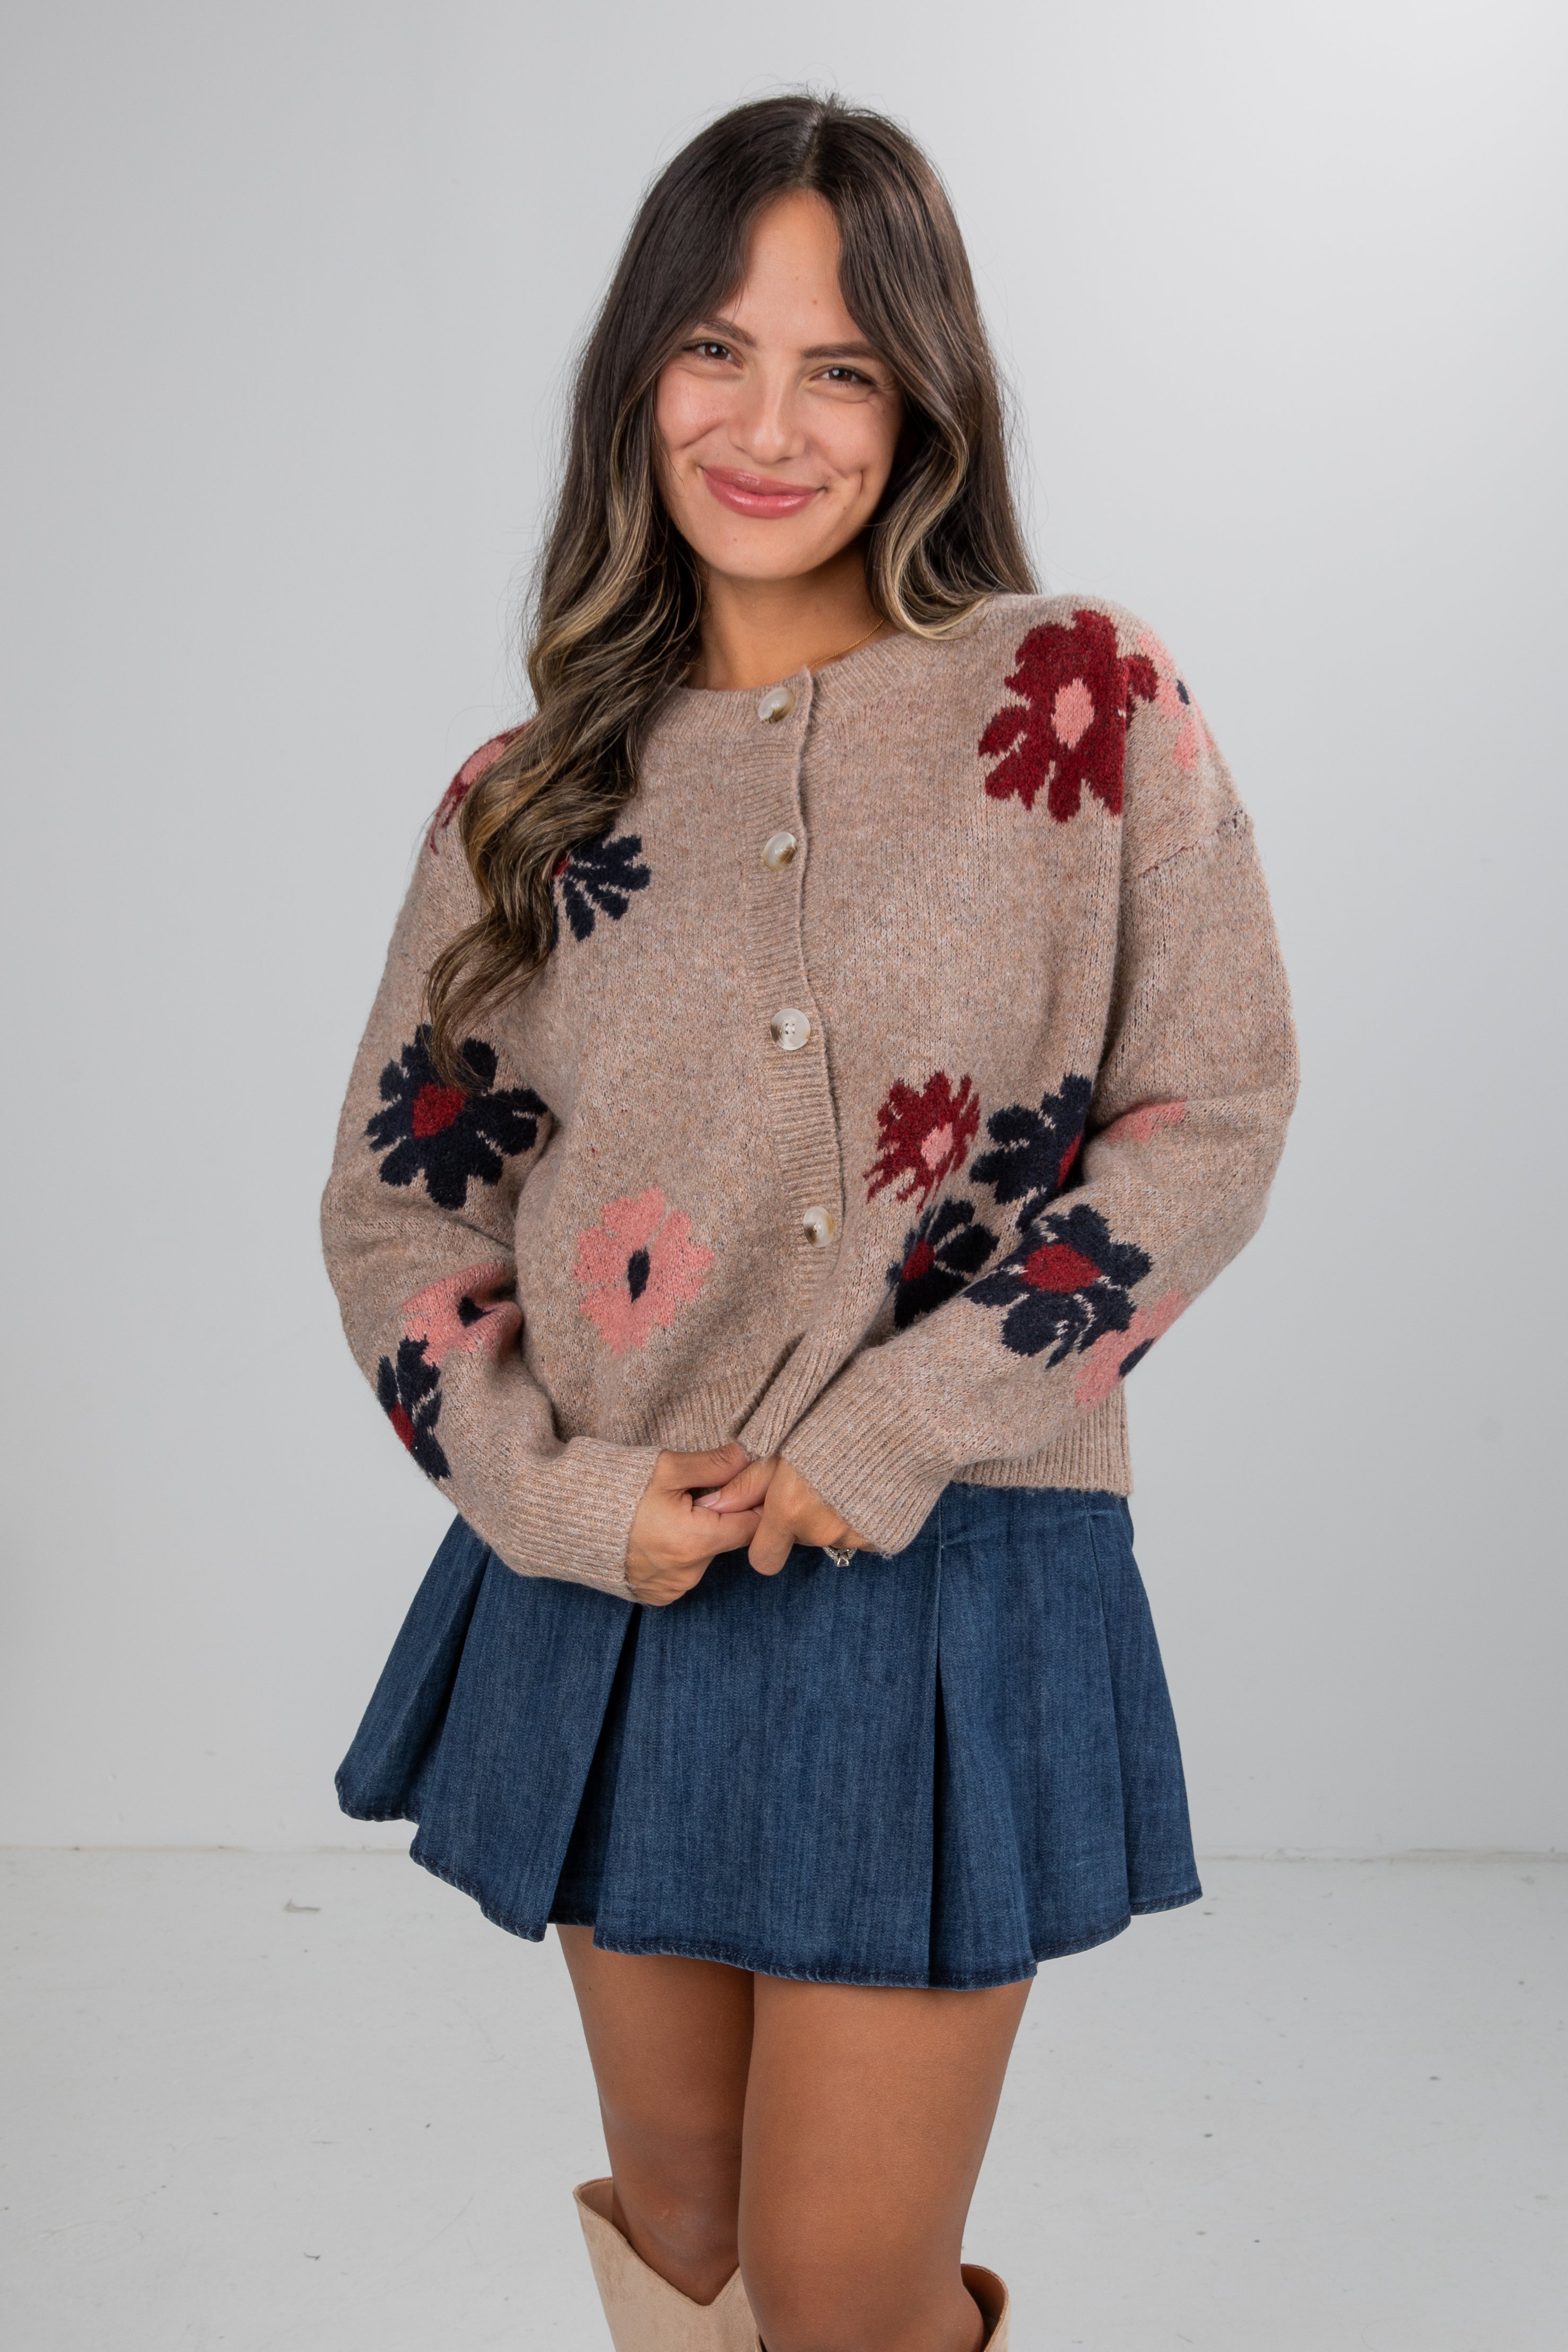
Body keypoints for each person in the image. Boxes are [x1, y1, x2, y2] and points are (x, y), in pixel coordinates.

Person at [323, 91, 1297, 2352]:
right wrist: (564, 1498)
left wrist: (891, 1427)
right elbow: (398, 1217)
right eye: (716, 352)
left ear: (922, 398)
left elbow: (1208, 1111)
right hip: (612, 1578)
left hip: (946, 1561)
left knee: (847, 2286)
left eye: (840, 366)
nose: (769, 423)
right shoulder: (525, 792)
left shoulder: (1080, 699)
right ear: (635, 377)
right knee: (685, 2233)